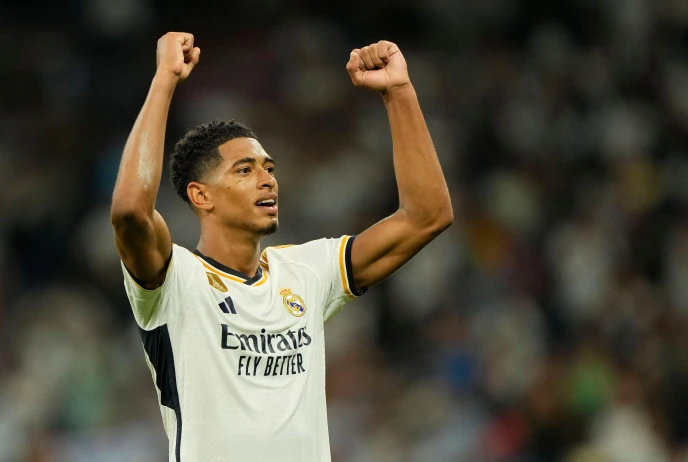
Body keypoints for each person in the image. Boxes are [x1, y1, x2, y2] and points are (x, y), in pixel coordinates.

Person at [110, 31, 452, 462]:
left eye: (269, 168)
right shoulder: (174, 282)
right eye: (245, 170)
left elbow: (427, 216)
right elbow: (130, 211)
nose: (268, 179)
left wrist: (399, 92)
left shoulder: (307, 272)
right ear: (201, 196)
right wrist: (165, 79)